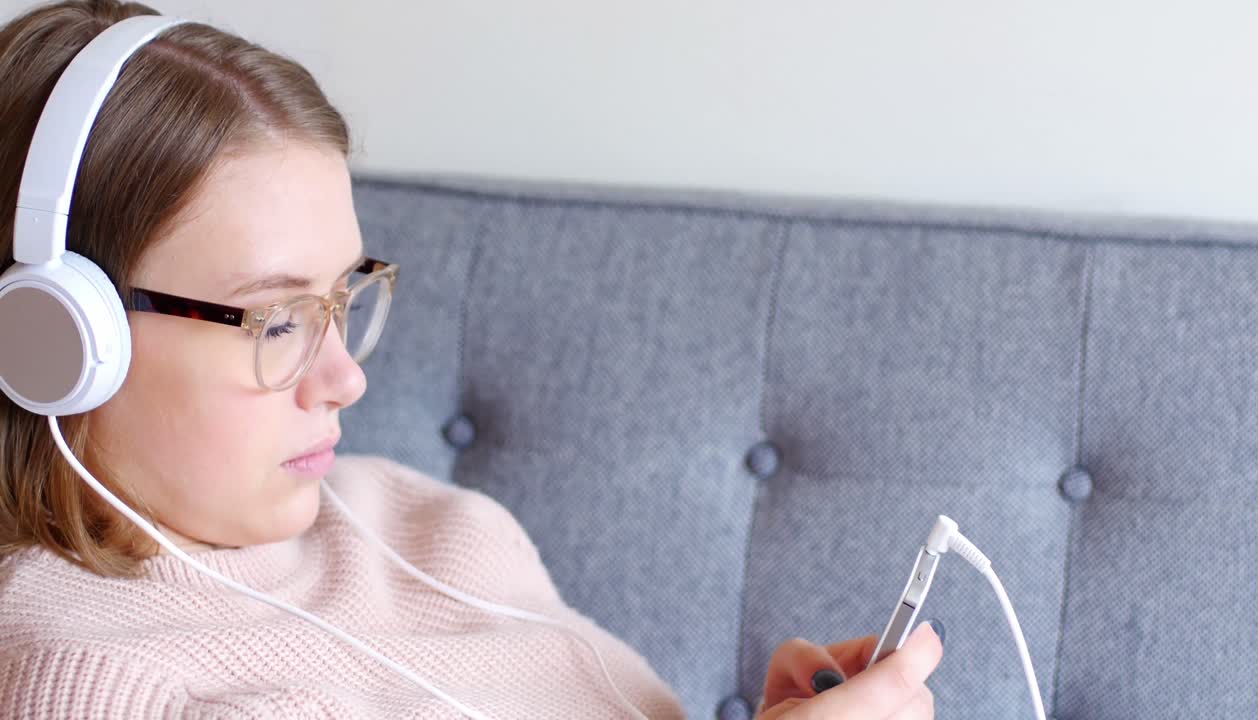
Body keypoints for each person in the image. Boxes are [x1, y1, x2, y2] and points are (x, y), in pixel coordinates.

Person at [0, 2, 942, 718]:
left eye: (343, 298)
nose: (348, 378)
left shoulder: (424, 522)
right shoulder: (85, 676)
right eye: (279, 319)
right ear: (53, 343)